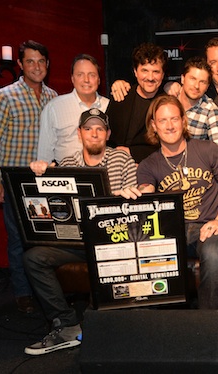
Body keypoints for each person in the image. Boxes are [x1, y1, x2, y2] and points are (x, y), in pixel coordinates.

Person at [23, 109, 141, 355]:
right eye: (88, 129)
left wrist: (120, 199)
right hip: (75, 244)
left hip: (111, 243)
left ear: (108, 134)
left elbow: (135, 208)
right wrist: (40, 170)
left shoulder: (123, 161)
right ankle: (66, 324)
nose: (94, 134)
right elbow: (48, 204)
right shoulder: (67, 164)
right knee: (33, 257)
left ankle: (98, 328)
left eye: (100, 129)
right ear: (79, 133)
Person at [0, 40, 58, 314]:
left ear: (47, 65)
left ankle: (45, 292)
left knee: (46, 241)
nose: (36, 66)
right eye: (30, 61)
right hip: (15, 182)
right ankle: (23, 293)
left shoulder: (53, 97)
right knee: (18, 239)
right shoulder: (4, 96)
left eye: (41, 61)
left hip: (46, 183)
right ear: (20, 65)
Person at [137, 95, 218, 311]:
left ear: (183, 121)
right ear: (153, 125)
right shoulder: (148, 165)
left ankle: (209, 324)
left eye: (174, 119)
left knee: (212, 255)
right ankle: (165, 326)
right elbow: (146, 193)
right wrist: (134, 194)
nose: (169, 126)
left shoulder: (208, 150)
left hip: (208, 225)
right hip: (173, 229)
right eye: (162, 121)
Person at [37, 54, 109, 163]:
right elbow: (44, 156)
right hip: (66, 174)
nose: (86, 80)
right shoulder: (54, 108)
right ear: (72, 79)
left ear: (99, 80)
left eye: (92, 75)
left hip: (103, 174)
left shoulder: (109, 106)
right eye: (80, 74)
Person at [107, 42, 167, 163]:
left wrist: (132, 153)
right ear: (135, 71)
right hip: (114, 167)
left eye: (156, 71)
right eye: (144, 70)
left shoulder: (166, 104)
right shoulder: (121, 95)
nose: (150, 77)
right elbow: (105, 134)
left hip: (150, 169)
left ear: (163, 74)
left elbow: (169, 145)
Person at [176, 56, 218, 155]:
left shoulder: (209, 109)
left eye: (202, 82)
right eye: (192, 79)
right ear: (182, 79)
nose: (196, 86)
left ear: (207, 87)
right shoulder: (167, 101)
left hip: (194, 167)